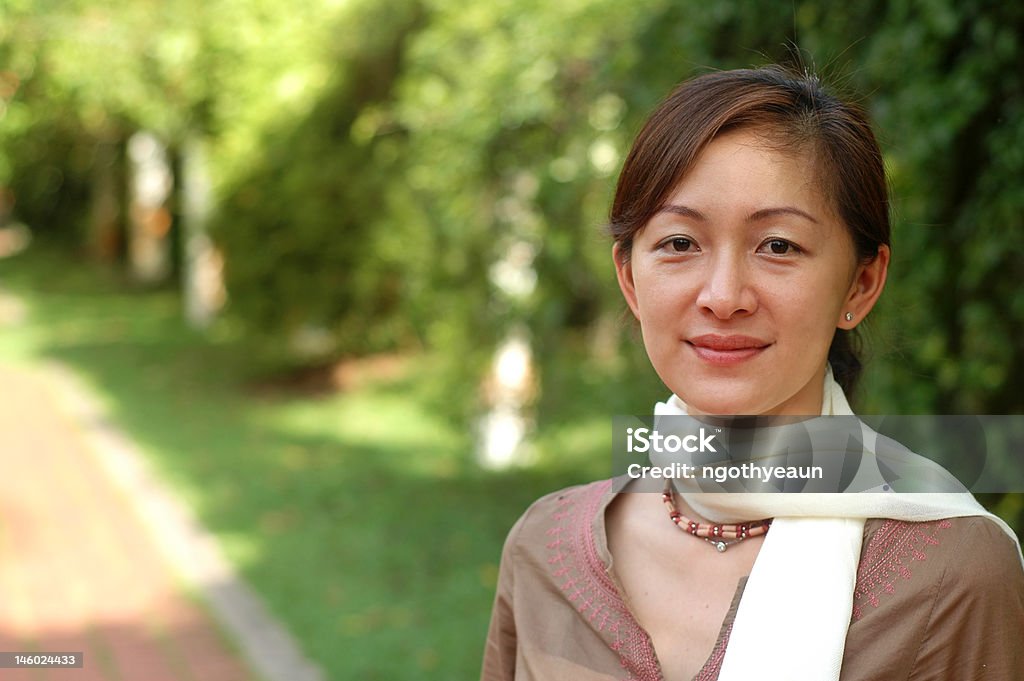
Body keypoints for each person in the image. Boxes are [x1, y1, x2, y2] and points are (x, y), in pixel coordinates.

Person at [480, 65, 1024, 681]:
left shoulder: (951, 574)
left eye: (779, 246)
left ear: (861, 282)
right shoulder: (544, 550)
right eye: (680, 242)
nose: (723, 295)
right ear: (630, 278)